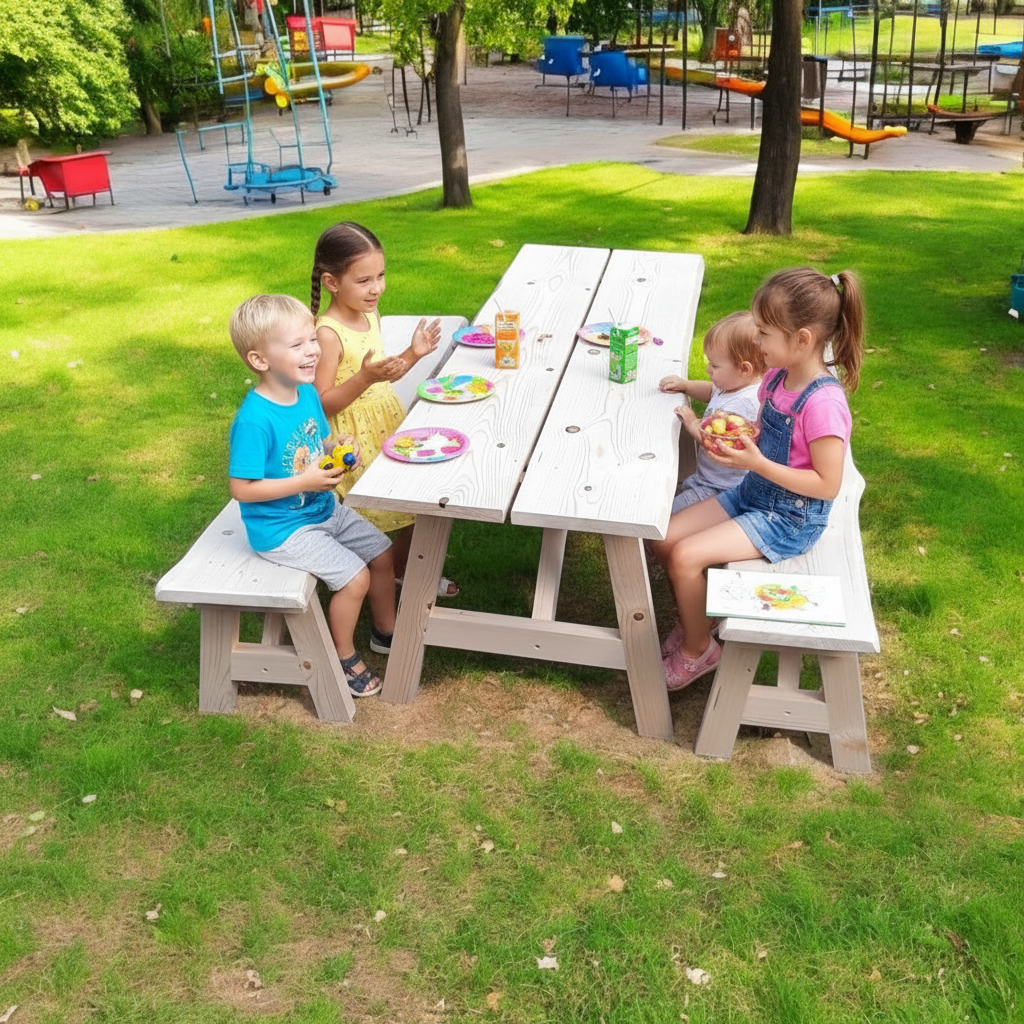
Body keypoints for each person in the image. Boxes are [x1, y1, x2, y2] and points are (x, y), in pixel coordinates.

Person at [650, 267, 864, 691]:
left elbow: (827, 484)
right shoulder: (777, 377)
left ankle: (698, 650)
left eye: (764, 333)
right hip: (753, 494)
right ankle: (699, 620)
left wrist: (757, 462)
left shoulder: (823, 405)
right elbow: (765, 430)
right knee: (662, 537)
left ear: (801, 339)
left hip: (789, 519)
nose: (758, 341)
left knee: (685, 557)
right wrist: (737, 437)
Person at [227, 293, 397, 698]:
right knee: (354, 578)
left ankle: (386, 631)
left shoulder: (305, 394)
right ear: (260, 360)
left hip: (322, 508)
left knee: (382, 552)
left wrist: (337, 447)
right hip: (282, 529)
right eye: (297, 345)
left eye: (312, 339)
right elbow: (241, 489)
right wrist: (303, 482)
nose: (312, 351)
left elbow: (317, 443)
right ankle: (343, 657)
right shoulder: (255, 420)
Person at [310, 221, 459, 598]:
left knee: (412, 502)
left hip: (386, 424)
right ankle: (379, 573)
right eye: (364, 280)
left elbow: (380, 376)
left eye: (380, 276)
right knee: (376, 517)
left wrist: (413, 353)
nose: (376, 287)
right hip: (352, 439)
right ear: (331, 282)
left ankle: (404, 569)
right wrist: (364, 378)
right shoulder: (327, 333)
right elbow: (320, 402)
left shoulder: (368, 316)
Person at [658, 310, 766, 516]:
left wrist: (692, 423)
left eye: (715, 365)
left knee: (665, 517)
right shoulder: (732, 386)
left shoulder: (743, 405)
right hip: (707, 478)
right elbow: (710, 390)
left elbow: (717, 444)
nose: (708, 369)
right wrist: (686, 385)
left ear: (744, 369)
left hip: (719, 489)